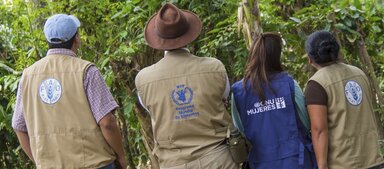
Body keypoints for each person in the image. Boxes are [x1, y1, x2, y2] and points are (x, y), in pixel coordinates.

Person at [11, 14, 127, 169]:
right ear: (76, 39)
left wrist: (39, 161)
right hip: (94, 164)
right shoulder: (86, 70)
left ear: (48, 41)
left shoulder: (28, 75)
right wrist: (121, 156)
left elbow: (18, 126)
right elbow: (107, 122)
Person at [135, 3, 238, 169]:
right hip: (218, 159)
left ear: (159, 39)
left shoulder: (143, 79)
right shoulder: (214, 68)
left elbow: (151, 109)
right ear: (189, 33)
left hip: (173, 163)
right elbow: (223, 97)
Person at [231, 32, 317, 169]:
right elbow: (306, 123)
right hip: (297, 160)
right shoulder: (290, 84)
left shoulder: (238, 91)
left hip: (260, 162)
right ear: (276, 56)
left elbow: (240, 129)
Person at [304, 30, 384, 169]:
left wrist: (322, 166)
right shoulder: (359, 73)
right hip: (372, 158)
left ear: (310, 58)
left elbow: (319, 130)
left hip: (343, 162)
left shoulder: (316, 84)